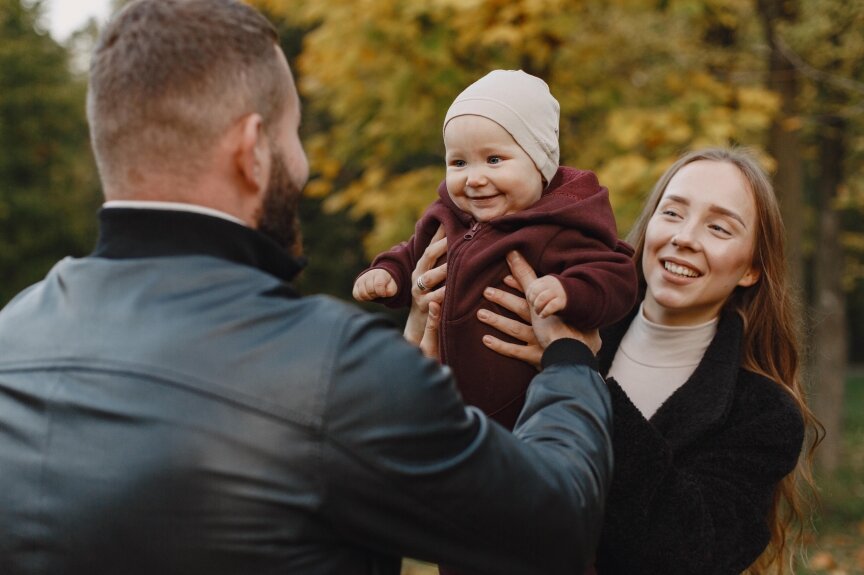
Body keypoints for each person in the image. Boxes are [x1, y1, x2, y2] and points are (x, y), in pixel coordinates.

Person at [0, 1, 615, 574]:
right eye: (294, 135)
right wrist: (568, 363)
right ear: (253, 152)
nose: (305, 164)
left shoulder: (15, 333)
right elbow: (554, 524)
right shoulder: (330, 369)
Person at [475, 148, 822, 574]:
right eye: (673, 213)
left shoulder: (763, 414)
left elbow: (689, 554)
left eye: (718, 227)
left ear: (751, 268)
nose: (685, 237)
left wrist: (577, 372)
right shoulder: (543, 323)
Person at [353, 70, 637, 428]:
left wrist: (568, 290)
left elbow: (616, 278)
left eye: (494, 160)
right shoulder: (448, 216)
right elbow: (413, 252)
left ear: (540, 164)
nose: (474, 178)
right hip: (444, 404)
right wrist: (387, 272)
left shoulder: (559, 226)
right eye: (458, 163)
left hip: (523, 408)